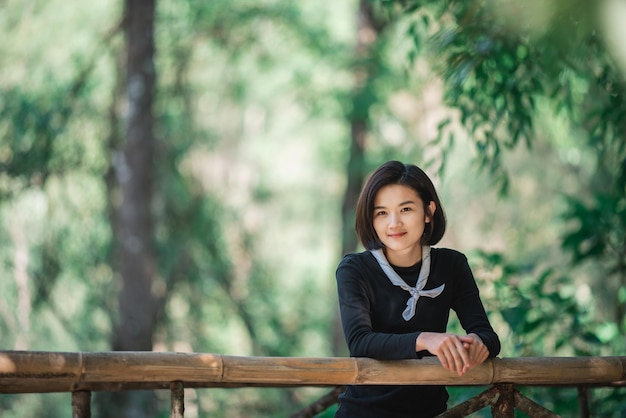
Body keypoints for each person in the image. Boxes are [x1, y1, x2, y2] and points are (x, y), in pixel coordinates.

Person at [335, 161, 500, 418]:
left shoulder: (452, 265)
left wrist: (480, 343)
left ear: (428, 211)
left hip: (431, 412)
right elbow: (360, 342)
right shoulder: (354, 268)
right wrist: (426, 339)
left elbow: (487, 335)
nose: (394, 223)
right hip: (363, 412)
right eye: (381, 213)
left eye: (406, 209)